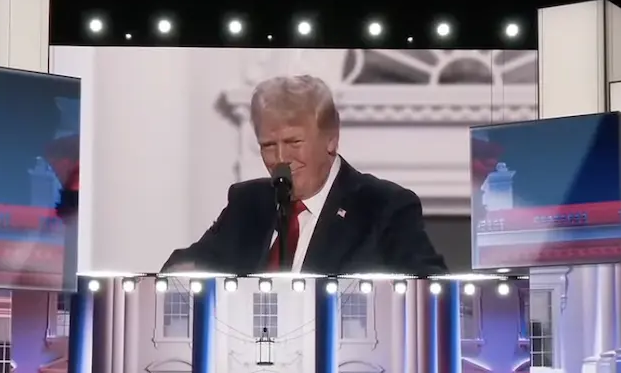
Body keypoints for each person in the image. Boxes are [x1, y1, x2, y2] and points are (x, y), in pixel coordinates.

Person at [161, 75, 446, 276]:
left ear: (331, 139)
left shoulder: (384, 206)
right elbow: (185, 265)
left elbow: (431, 286)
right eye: (269, 146)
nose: (281, 159)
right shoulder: (248, 203)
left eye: (294, 143)